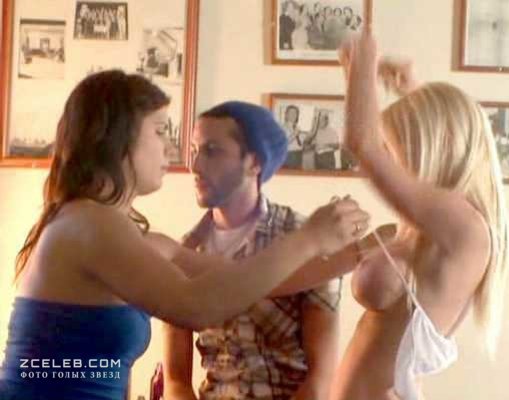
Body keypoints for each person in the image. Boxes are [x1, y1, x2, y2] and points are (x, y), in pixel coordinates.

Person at [0, 70, 370, 400]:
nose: (175, 150)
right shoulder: (92, 224)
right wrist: (309, 239)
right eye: (160, 130)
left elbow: (245, 281)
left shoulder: (126, 236)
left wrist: (360, 250)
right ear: (117, 139)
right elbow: (196, 307)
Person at [330, 27, 509, 400]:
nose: (391, 161)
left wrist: (363, 61)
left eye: (396, 150)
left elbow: (362, 144)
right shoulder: (424, 230)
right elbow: (435, 129)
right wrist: (396, 84)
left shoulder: (465, 226)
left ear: (428, 150)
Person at [163, 101, 354, 400]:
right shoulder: (185, 251)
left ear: (254, 162)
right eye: (194, 150)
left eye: (212, 151)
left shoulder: (305, 239)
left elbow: (320, 381)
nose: (195, 165)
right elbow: (176, 380)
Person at [282, 105, 305, 169]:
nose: (293, 115)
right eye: (291, 113)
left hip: (299, 155)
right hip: (289, 156)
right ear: (286, 114)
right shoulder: (282, 128)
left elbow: (301, 144)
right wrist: (295, 133)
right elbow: (283, 143)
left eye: (295, 113)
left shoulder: (298, 127)